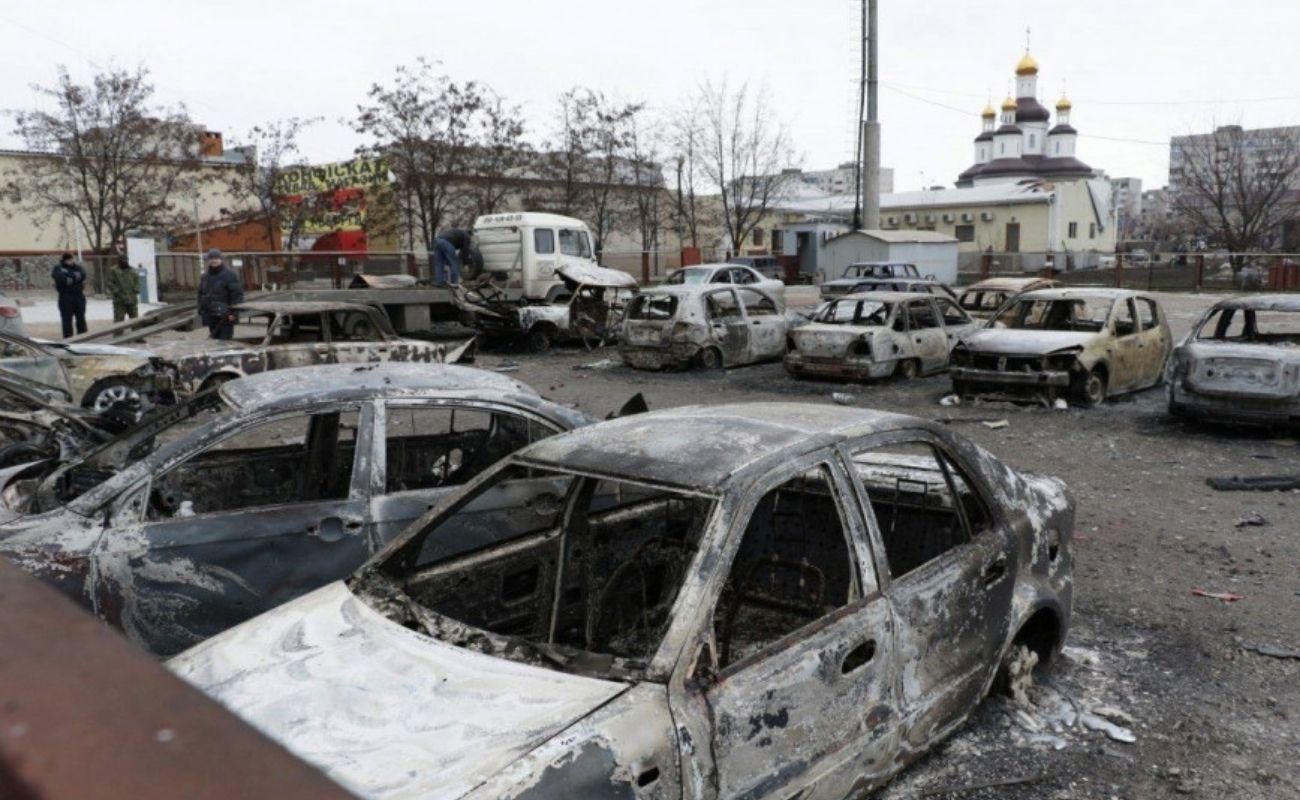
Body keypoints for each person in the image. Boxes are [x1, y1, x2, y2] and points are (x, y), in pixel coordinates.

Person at [196, 249, 244, 340]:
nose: (213, 260)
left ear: (221, 259)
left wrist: (233, 313)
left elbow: (237, 295)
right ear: (208, 260)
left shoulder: (229, 275)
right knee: (214, 342)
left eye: (216, 258)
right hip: (211, 315)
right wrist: (201, 309)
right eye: (211, 258)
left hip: (225, 316)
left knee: (225, 342)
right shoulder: (205, 277)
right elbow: (201, 294)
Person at [51, 252, 88, 338]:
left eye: (73, 259)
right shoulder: (58, 268)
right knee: (67, 320)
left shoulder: (77, 267)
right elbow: (61, 279)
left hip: (79, 296)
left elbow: (83, 275)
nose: (72, 261)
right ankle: (68, 339)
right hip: (66, 297)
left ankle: (83, 337)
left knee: (81, 319)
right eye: (70, 260)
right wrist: (75, 279)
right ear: (65, 260)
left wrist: (70, 279)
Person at [106, 256, 140, 322]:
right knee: (119, 319)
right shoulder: (113, 270)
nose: (124, 262)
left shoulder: (132, 270)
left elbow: (137, 280)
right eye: (122, 260)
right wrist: (116, 291)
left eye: (126, 260)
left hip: (132, 299)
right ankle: (119, 332)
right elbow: (109, 282)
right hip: (119, 300)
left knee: (135, 318)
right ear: (119, 261)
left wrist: (136, 289)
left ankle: (136, 332)